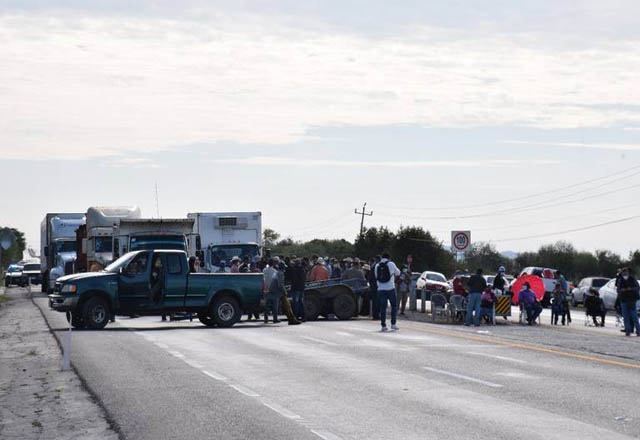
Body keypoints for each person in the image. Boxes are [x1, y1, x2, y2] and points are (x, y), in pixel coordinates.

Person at [374, 253, 400, 332]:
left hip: (381, 289)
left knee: (383, 308)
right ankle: (393, 324)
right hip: (390, 288)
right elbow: (398, 273)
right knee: (394, 306)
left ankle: (383, 326)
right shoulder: (391, 264)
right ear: (389, 258)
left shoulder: (377, 266)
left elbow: (376, 276)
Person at [616, 268, 640, 337]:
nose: (624, 273)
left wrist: (631, 289)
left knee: (634, 316)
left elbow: (637, 287)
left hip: (632, 300)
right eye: (623, 272)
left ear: (628, 272)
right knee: (625, 317)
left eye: (626, 272)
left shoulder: (632, 279)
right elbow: (618, 289)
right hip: (624, 300)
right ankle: (628, 331)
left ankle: (638, 331)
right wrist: (622, 290)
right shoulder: (620, 280)